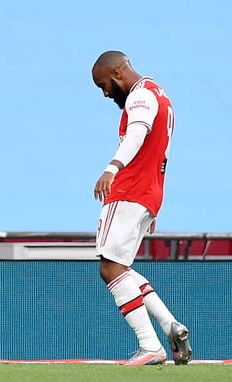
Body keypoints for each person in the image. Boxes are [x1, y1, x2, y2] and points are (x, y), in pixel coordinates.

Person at [91, 51, 191, 366]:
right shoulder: (161, 96)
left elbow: (137, 134)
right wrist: (152, 204)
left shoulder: (140, 97)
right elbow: (161, 153)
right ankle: (169, 324)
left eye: (104, 85)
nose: (106, 93)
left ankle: (150, 346)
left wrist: (112, 167)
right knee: (122, 267)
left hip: (128, 189)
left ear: (118, 72)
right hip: (148, 193)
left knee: (110, 268)